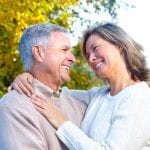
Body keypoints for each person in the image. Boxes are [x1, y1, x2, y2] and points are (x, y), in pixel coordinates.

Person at [9, 22, 150, 150]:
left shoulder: (139, 98)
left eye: (95, 48)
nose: (91, 58)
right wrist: (27, 78)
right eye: (88, 54)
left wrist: (63, 124)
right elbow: (55, 91)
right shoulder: (98, 96)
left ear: (119, 46)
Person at [0, 23, 86, 150]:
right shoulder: (14, 106)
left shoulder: (80, 105)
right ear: (38, 53)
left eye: (71, 52)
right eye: (64, 50)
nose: (73, 58)